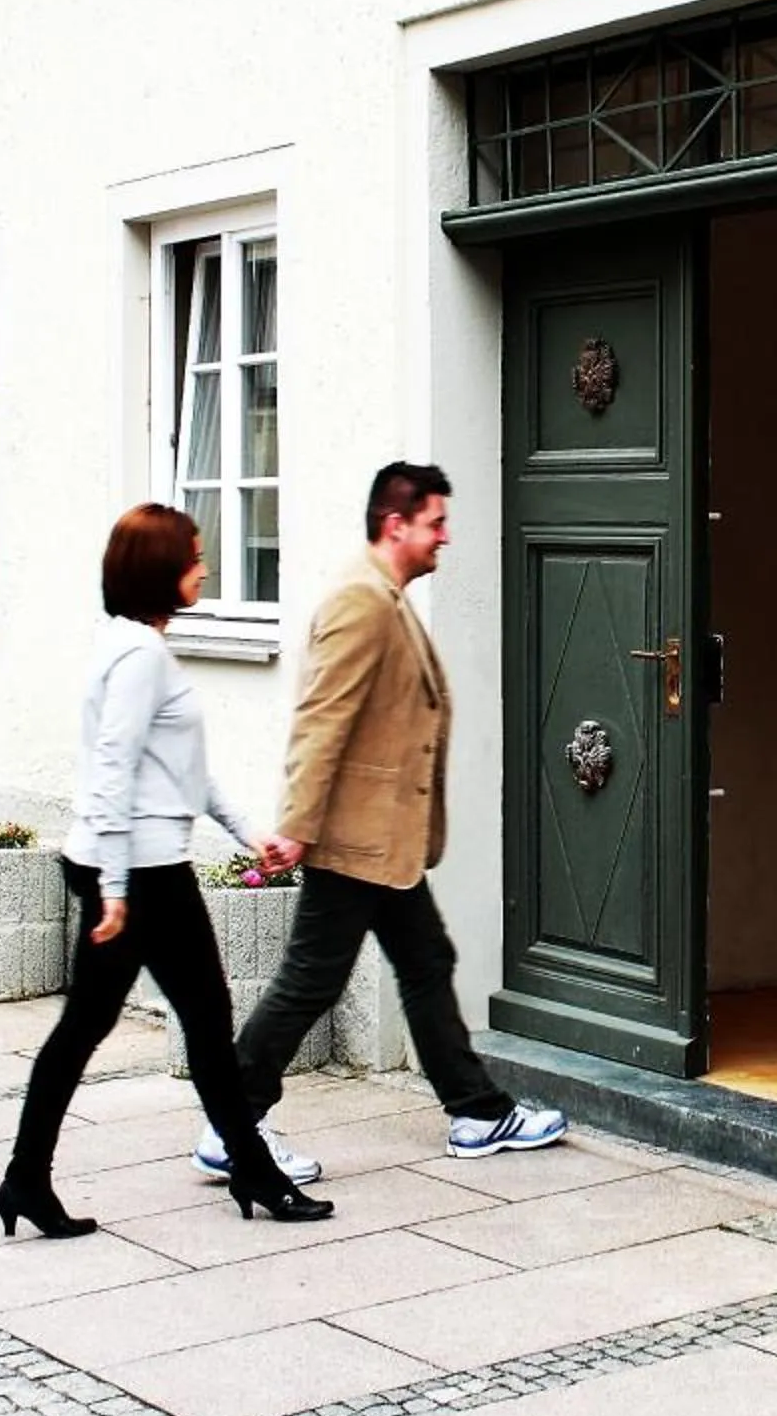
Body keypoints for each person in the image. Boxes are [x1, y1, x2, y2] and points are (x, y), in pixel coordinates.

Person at [215, 462, 568, 1163]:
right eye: (436, 522)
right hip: (353, 838)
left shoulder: (387, 595)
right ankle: (233, 1125)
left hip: (385, 843)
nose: (445, 536)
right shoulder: (361, 601)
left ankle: (476, 1113)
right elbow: (322, 718)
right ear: (395, 523)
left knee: (426, 961)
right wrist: (296, 824)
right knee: (311, 980)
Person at [0, 503, 334, 1238]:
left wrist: (252, 836)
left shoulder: (127, 645)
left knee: (109, 1028)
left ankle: (28, 1179)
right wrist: (116, 888)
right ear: (160, 570)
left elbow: (178, 770)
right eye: (194, 555)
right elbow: (113, 768)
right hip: (142, 875)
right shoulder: (142, 657)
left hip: (136, 866)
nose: (204, 566)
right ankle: (253, 1174)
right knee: (194, 1028)